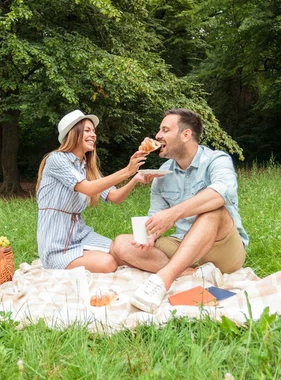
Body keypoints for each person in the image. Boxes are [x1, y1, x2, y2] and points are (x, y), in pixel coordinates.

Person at [110, 108, 249, 312]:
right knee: (120, 245)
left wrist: (174, 213)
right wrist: (151, 234)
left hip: (223, 247)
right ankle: (195, 274)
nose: (157, 136)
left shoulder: (216, 159)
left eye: (165, 130)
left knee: (215, 210)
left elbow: (223, 192)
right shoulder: (162, 174)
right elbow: (155, 217)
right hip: (184, 245)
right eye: (159, 130)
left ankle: (163, 280)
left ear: (186, 135)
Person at [36, 109, 154, 273]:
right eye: (87, 130)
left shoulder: (87, 167)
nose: (93, 135)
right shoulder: (56, 159)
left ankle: (179, 270)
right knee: (108, 263)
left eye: (93, 131)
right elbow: (88, 189)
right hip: (57, 245)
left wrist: (134, 178)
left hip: (81, 234)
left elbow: (114, 197)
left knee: (123, 254)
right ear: (73, 133)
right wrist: (127, 170)